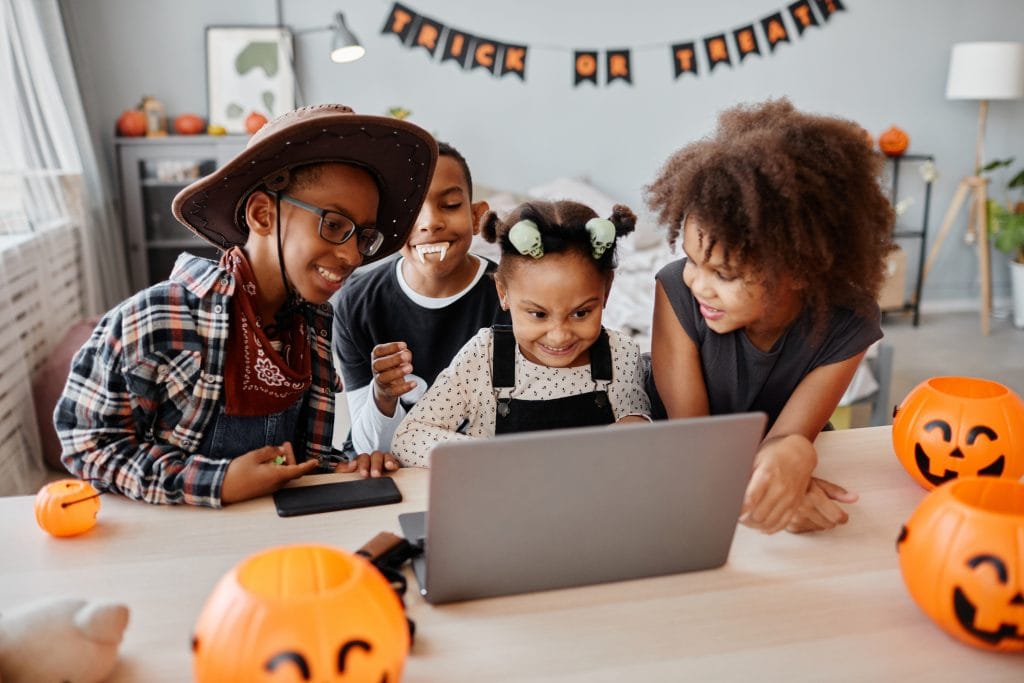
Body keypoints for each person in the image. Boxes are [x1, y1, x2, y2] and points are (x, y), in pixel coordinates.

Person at [54, 104, 437, 506]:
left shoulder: (313, 325)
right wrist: (215, 481)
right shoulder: (158, 318)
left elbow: (302, 459)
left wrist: (336, 468)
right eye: (335, 225)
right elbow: (86, 444)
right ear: (261, 214)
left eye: (363, 237)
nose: (353, 256)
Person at [645, 98, 894, 534]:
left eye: (723, 273)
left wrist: (795, 455)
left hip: (733, 473)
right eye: (692, 260)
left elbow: (789, 436)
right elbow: (696, 441)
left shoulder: (849, 322)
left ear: (799, 268)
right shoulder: (675, 292)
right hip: (678, 470)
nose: (699, 284)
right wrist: (776, 486)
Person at [392, 199, 651, 466]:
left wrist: (635, 426)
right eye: (538, 314)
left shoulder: (620, 352)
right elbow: (409, 438)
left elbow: (637, 424)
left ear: (606, 293)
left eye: (581, 313)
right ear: (503, 294)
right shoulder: (484, 357)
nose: (559, 336)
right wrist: (503, 455)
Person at [332, 142, 508, 458]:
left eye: (451, 204)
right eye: (410, 209)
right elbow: (369, 448)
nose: (429, 223)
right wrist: (383, 396)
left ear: (477, 215)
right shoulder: (356, 305)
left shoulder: (514, 298)